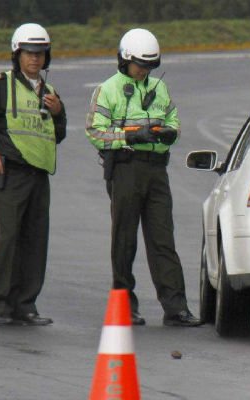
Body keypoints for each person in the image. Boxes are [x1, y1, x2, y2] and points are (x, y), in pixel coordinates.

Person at [85, 28, 201, 327]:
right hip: (125, 167)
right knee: (124, 239)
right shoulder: (107, 89)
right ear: (124, 60)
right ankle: (125, 305)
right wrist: (132, 136)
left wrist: (170, 133)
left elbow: (172, 118)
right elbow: (95, 132)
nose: (144, 70)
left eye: (149, 66)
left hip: (156, 170)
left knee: (163, 239)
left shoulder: (160, 89)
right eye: (139, 64)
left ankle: (176, 308)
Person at [0, 23, 66, 326]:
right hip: (10, 172)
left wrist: (58, 112)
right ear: (17, 55)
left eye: (41, 54)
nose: (35, 59)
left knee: (35, 239)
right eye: (29, 53)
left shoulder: (49, 93)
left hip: (38, 176)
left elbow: (57, 134)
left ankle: (26, 304)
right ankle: (0, 305)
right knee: (9, 238)